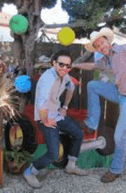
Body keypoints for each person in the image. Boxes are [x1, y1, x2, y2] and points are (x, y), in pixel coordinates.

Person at [72, 27, 126, 183]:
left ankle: (116, 169)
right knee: (92, 85)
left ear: (107, 41)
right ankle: (91, 123)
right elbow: (93, 66)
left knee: (119, 136)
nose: (101, 46)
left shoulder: (125, 50)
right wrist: (76, 66)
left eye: (102, 42)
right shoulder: (107, 59)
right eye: (98, 46)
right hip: (120, 93)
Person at [23, 50, 89, 189]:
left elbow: (71, 88)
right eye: (61, 64)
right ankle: (30, 171)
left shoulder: (64, 76)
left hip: (57, 115)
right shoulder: (48, 78)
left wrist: (64, 106)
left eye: (68, 66)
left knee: (78, 133)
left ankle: (71, 165)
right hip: (44, 117)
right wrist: (45, 120)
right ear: (54, 63)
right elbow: (41, 103)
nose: (65, 68)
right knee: (53, 154)